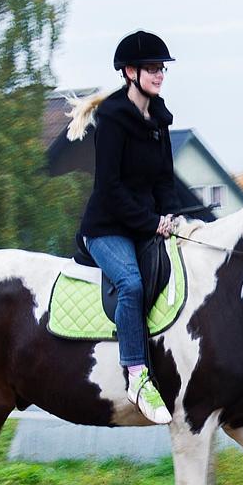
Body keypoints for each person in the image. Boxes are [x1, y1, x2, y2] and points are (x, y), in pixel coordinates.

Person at [77, 30, 179, 425]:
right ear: (130, 72)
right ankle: (136, 374)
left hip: (147, 224)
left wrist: (172, 215)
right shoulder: (113, 119)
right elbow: (110, 189)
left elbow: (164, 179)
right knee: (132, 285)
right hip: (107, 228)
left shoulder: (159, 118)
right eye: (153, 68)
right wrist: (152, 222)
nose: (159, 74)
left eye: (161, 69)